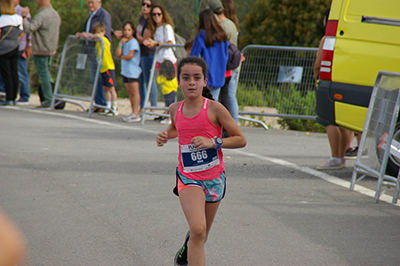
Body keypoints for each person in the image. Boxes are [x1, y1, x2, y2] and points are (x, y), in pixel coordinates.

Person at [156, 56, 246, 266]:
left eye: (197, 77)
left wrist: (213, 142)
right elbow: (176, 127)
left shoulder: (215, 109)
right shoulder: (175, 109)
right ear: (179, 81)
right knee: (198, 229)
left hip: (214, 178)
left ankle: (187, 250)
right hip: (188, 178)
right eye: (186, 78)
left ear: (205, 81)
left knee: (201, 235)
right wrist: (166, 135)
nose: (191, 82)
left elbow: (240, 139)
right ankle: (191, 245)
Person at [314, 8, 352, 170]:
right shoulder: (350, 38)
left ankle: (335, 157)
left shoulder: (328, 39)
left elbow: (318, 63)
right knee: (344, 123)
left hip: (329, 80)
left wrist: (316, 78)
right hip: (346, 80)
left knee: (329, 121)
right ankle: (342, 156)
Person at [21, 0, 61, 108]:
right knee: (47, 73)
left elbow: (29, 28)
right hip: (51, 48)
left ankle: (48, 99)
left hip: (41, 49)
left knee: (44, 74)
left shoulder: (42, 15)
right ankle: (52, 97)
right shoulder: (55, 14)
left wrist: (24, 18)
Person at [75, 0, 113, 112]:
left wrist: (89, 36)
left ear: (99, 2)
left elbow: (103, 34)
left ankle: (103, 103)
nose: (90, 5)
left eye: (92, 2)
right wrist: (82, 35)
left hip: (101, 53)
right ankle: (98, 103)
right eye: (88, 2)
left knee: (101, 78)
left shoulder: (104, 15)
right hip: (91, 51)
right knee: (94, 78)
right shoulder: (91, 15)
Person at [190, 8, 229, 101]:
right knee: (213, 103)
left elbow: (192, 57)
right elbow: (226, 55)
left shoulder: (201, 36)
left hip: (204, 76)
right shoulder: (222, 36)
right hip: (219, 75)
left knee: (201, 104)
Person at [143, 4, 177, 110]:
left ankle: (171, 113)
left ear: (163, 15)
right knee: (163, 88)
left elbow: (170, 42)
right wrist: (149, 42)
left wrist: (156, 43)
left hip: (168, 61)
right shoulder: (156, 28)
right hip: (160, 60)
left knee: (169, 88)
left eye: (159, 14)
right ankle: (167, 112)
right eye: (154, 14)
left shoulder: (167, 27)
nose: (156, 16)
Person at [83, 22, 118, 116]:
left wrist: (95, 36)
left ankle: (114, 107)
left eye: (100, 32)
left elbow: (99, 37)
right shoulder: (98, 42)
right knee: (105, 88)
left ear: (104, 32)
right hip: (102, 68)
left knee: (111, 88)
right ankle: (107, 106)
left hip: (108, 67)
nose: (97, 34)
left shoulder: (105, 40)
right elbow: (93, 36)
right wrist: (87, 35)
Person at [115, 21, 142, 122]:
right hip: (125, 71)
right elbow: (117, 53)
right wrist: (120, 43)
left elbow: (130, 56)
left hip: (133, 71)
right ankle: (132, 111)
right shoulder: (125, 42)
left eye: (129, 30)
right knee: (129, 92)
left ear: (133, 31)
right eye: (125, 30)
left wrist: (122, 57)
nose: (127, 32)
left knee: (135, 92)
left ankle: (136, 113)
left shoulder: (133, 42)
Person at [221, 0, 241, 124]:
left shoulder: (224, 25)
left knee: (229, 96)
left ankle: (233, 122)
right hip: (233, 64)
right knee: (230, 95)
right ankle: (233, 122)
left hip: (228, 66)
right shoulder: (233, 24)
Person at [136, 0, 158, 113]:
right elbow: (140, 36)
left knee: (150, 80)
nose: (145, 7)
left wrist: (136, 37)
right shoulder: (141, 18)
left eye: (148, 5)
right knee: (141, 79)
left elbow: (145, 38)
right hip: (141, 52)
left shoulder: (150, 20)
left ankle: (153, 107)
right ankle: (143, 105)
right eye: (143, 4)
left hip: (149, 53)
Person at [0, 0, 23, 106]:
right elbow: (21, 30)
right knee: (14, 72)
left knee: (6, 73)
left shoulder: (2, 19)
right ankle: (14, 97)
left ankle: (8, 97)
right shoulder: (18, 18)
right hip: (15, 47)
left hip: (3, 49)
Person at [14, 0, 32, 105]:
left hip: (21, 46)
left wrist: (29, 45)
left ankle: (25, 95)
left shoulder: (23, 12)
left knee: (21, 71)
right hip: (8, 47)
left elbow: (29, 29)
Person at [156, 59, 178, 125]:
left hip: (167, 93)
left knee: (168, 106)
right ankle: (169, 117)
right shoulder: (174, 78)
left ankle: (169, 118)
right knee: (170, 106)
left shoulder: (163, 78)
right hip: (173, 92)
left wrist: (158, 73)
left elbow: (158, 81)